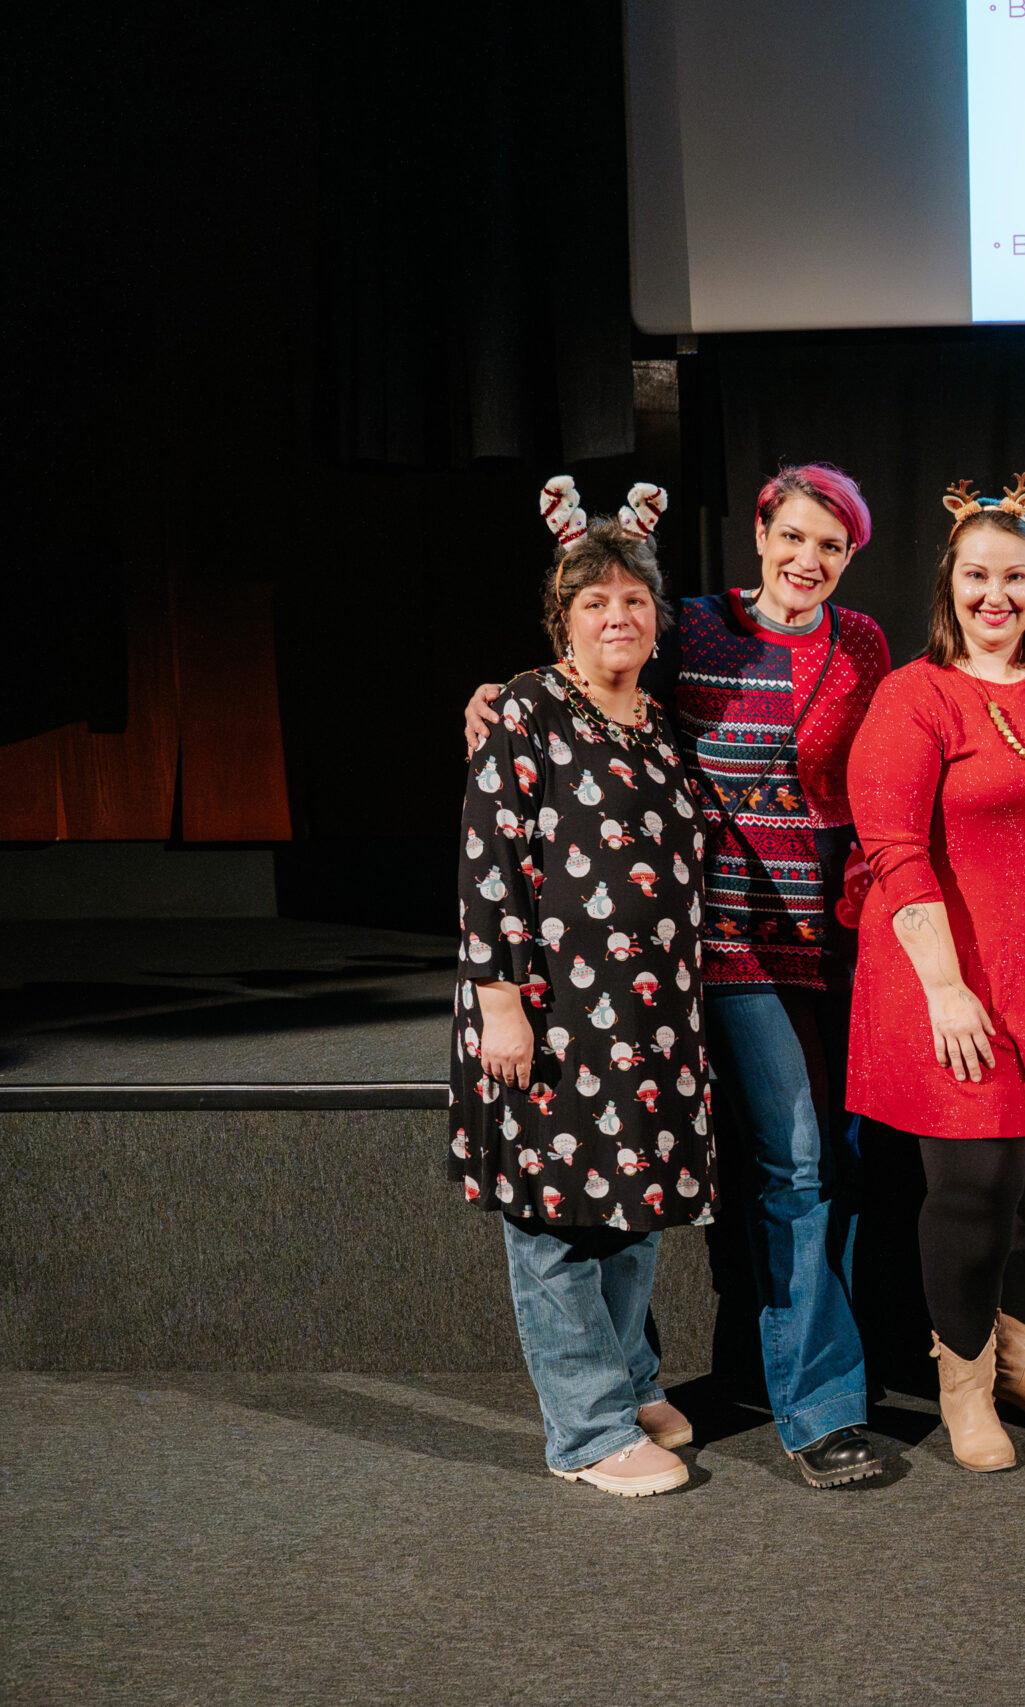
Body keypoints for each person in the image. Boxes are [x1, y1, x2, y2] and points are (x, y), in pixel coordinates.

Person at [465, 462, 893, 1489]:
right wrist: (494, 699)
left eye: (830, 545)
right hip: (680, 963)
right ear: (760, 532)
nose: (807, 559)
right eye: (792, 535)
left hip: (749, 966)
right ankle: (646, 1419)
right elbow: (511, 824)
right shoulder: (682, 631)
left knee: (666, 1182)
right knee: (659, 1184)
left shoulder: (854, 649)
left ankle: (647, 1382)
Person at [844, 476, 1025, 1472]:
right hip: (948, 979)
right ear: (947, 585)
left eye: (1014, 577)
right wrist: (946, 987)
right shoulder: (913, 695)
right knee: (973, 1189)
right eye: (975, 576)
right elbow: (891, 846)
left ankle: (1019, 1364)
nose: (994, 595)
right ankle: (961, 1385)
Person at [451, 477, 714, 1497]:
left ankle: (631, 1381)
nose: (617, 616)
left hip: (647, 1024)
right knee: (558, 1222)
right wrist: (501, 1003)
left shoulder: (658, 722)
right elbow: (489, 861)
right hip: (549, 1018)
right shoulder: (525, 710)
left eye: (634, 599)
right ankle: (589, 1432)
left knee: (631, 1211)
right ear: (562, 616)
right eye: (594, 600)